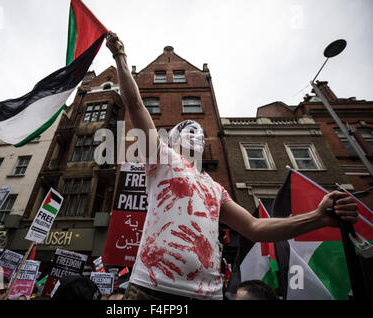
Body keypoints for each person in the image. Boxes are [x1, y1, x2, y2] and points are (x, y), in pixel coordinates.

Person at [105, 31, 359, 300]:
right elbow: (135, 104)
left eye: (200, 132)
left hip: (209, 295)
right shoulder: (160, 158)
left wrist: (318, 218)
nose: (196, 133)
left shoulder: (216, 190)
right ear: (172, 140)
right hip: (152, 290)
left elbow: (255, 228)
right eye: (187, 129)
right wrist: (120, 56)